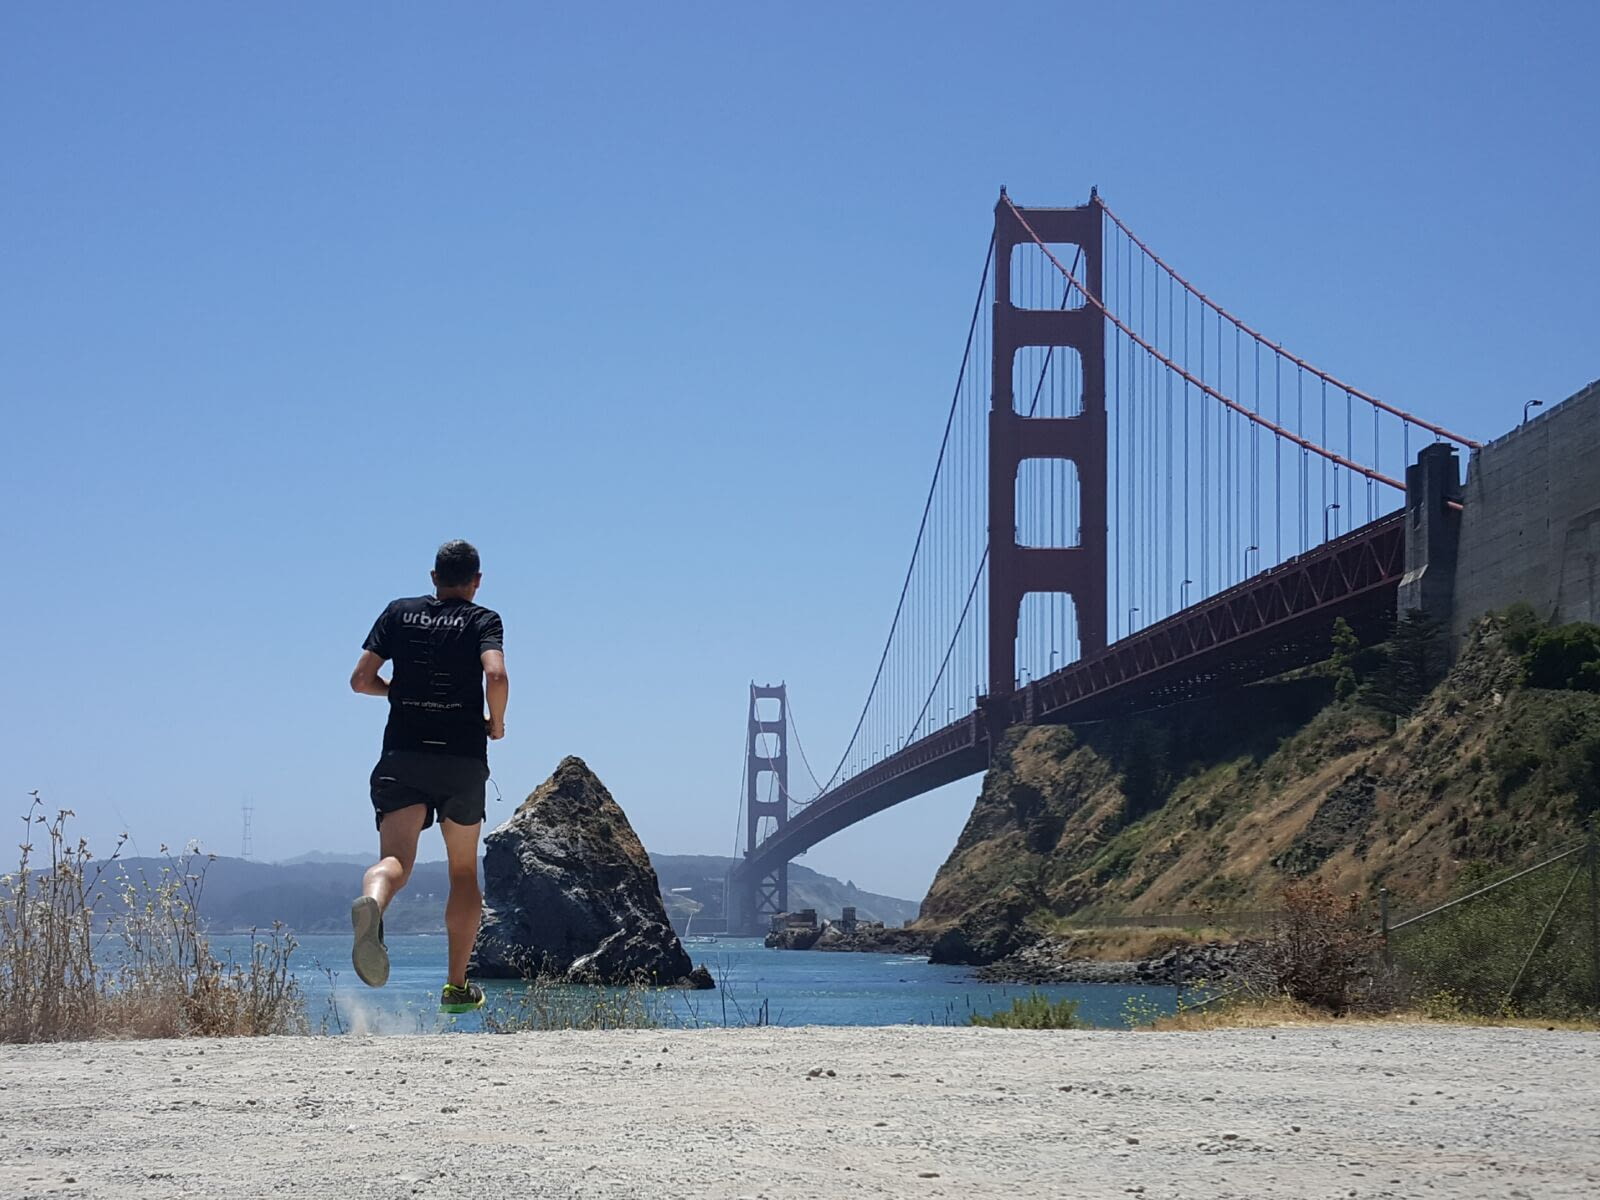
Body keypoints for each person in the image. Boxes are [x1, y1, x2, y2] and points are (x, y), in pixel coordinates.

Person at [348, 539, 508, 1014]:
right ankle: (456, 987)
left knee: (395, 862)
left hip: (403, 757)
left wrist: (395, 692)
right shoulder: (483, 620)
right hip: (461, 760)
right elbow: (495, 676)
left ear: (432, 577)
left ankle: (374, 901)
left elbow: (360, 680)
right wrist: (495, 724)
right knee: (461, 871)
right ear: (476, 581)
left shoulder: (398, 613)